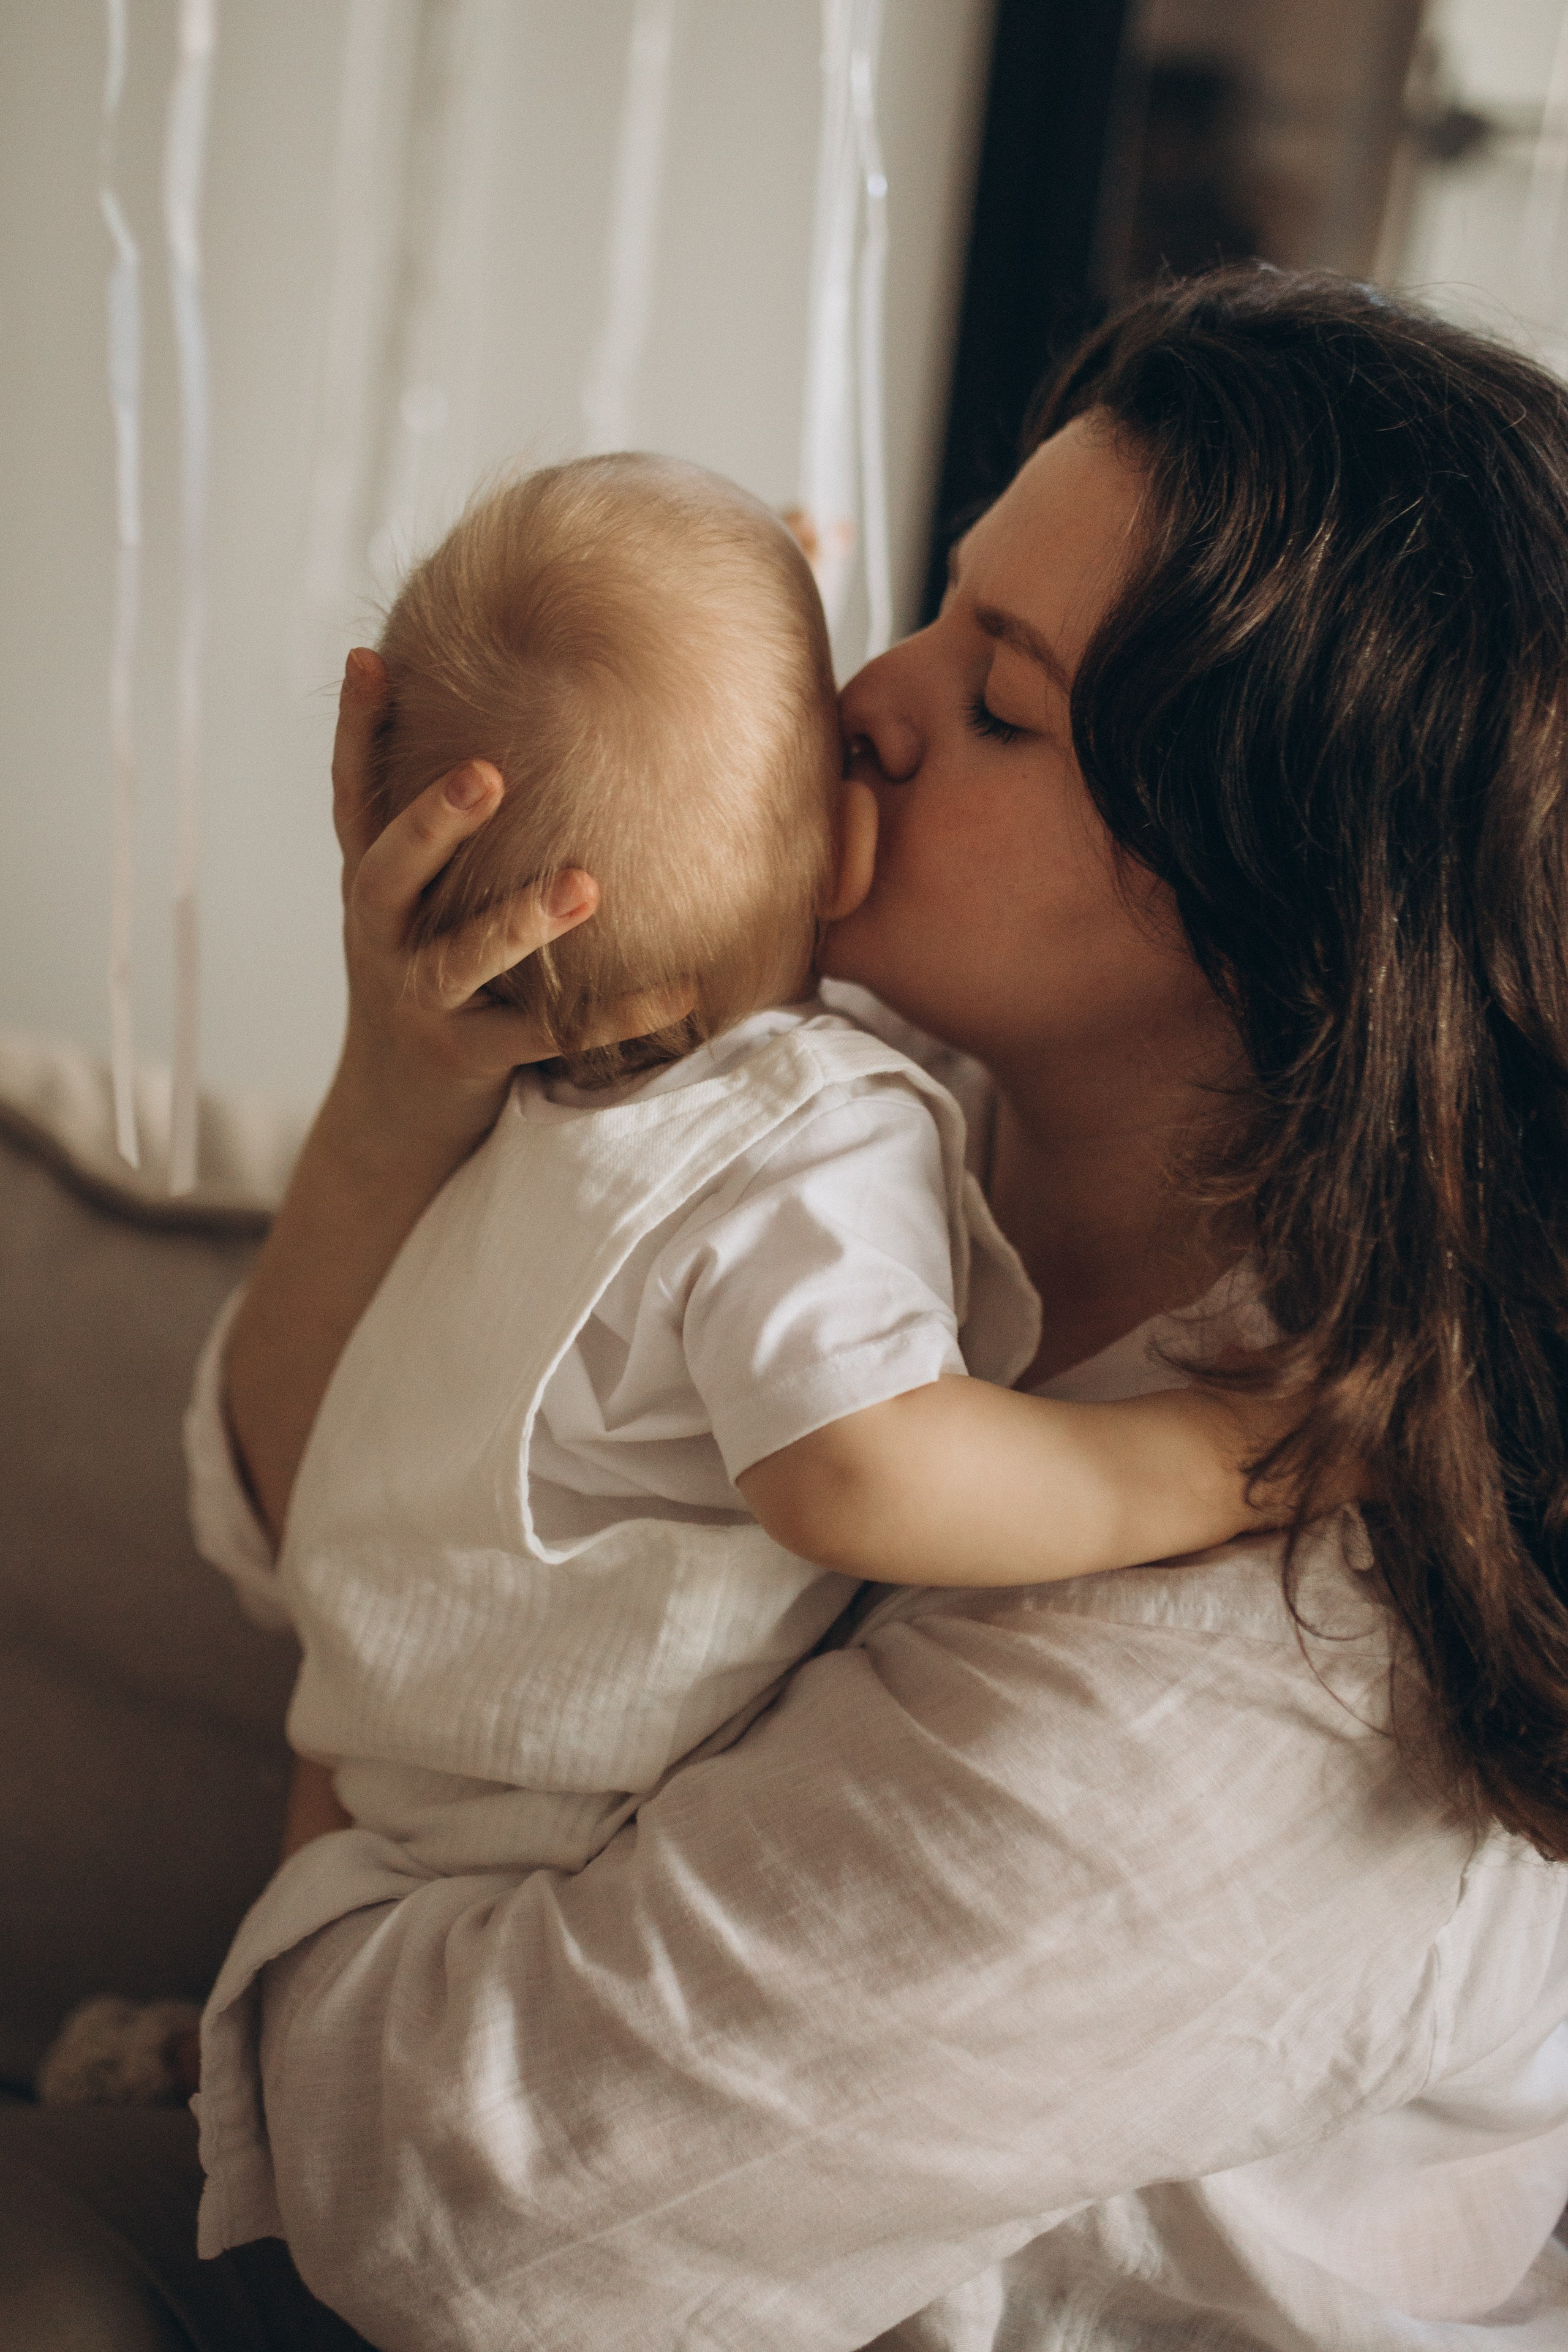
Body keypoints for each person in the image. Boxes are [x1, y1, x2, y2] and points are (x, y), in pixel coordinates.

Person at [6, 263, 1568, 2348]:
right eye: (930, 605)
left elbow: (447, 2218)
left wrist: (350, 1808)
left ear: (1293, 935)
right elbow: (324, 1515)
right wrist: (407, 1104)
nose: (869, 700)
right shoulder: (849, 1109)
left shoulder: (1246, 1676)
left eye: (1001, 703)